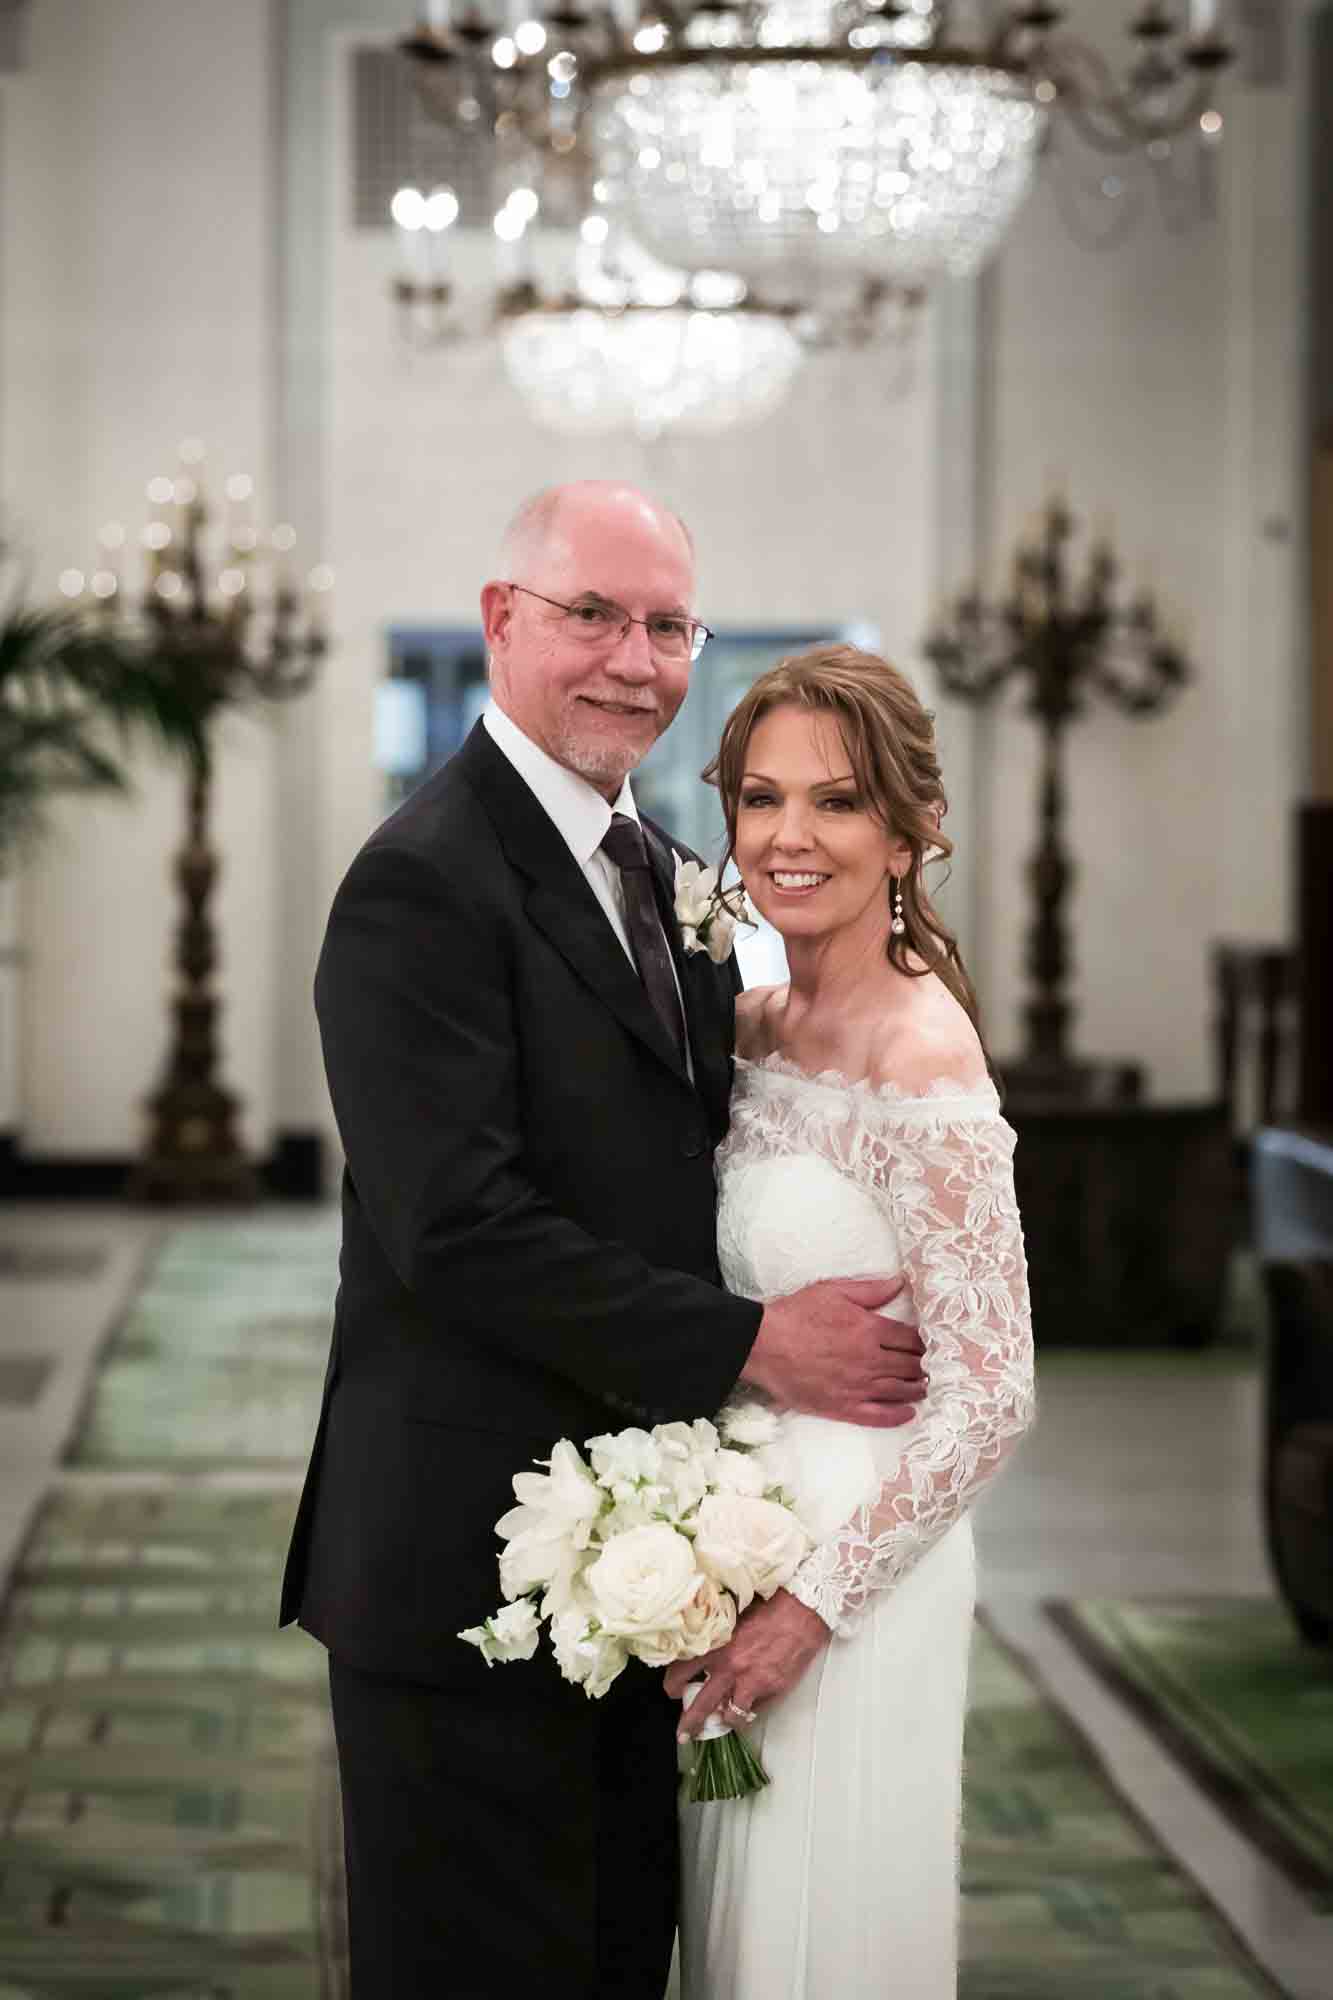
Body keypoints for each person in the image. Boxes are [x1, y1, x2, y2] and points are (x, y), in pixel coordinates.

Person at [279, 485, 929, 1998]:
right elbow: (457, 1229)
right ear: (502, 619)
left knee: (612, 1960)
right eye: (593, 615)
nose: (635, 660)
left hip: (651, 1558)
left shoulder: (671, 873)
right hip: (464, 1566)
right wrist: (755, 1341)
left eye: (665, 626)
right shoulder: (419, 882)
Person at [667, 645, 1037, 1998]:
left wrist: (807, 1611)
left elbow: (993, 1391)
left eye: (833, 801)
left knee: (820, 1942)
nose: (787, 837)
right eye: (760, 799)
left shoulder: (920, 1055)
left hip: (857, 1575)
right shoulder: (752, 1024)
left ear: (908, 828)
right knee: (735, 1935)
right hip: (731, 1542)